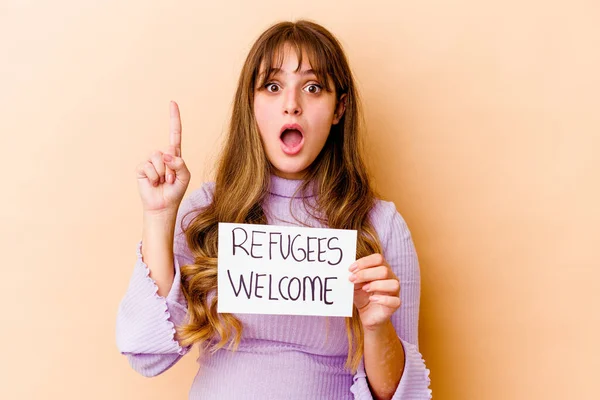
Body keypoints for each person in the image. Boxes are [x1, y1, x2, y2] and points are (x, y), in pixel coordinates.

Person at [116, 20, 432, 399]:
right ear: (252, 103)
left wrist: (377, 326)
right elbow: (146, 356)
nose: (292, 105)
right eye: (272, 86)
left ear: (339, 108)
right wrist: (159, 218)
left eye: (313, 88)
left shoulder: (381, 225)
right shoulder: (209, 211)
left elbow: (403, 397)